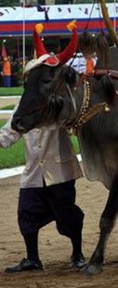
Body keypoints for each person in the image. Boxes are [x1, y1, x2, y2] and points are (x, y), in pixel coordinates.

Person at [1, 110, 86, 272]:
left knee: (67, 215)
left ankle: (77, 254)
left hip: (60, 172)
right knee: (26, 213)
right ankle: (32, 259)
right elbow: (8, 134)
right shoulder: (23, 106)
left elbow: (73, 123)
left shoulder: (58, 103)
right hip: (33, 174)